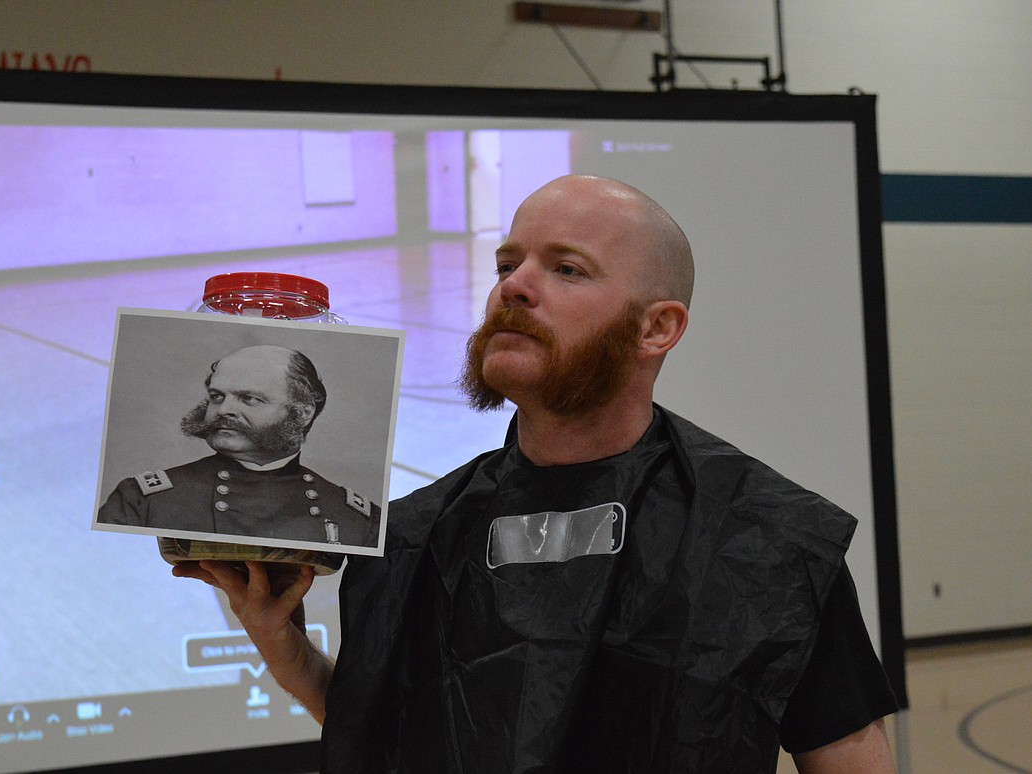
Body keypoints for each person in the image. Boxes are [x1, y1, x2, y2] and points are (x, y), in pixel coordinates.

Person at [174, 175, 899, 772]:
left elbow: (849, 753)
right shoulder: (415, 533)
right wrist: (285, 648)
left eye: (566, 268)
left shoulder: (766, 536)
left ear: (657, 328)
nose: (514, 287)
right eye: (506, 265)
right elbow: (396, 738)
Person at [98, 344, 380, 549]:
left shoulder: (357, 518)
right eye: (217, 396)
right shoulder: (143, 500)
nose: (224, 410)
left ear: (302, 412)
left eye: (249, 399)